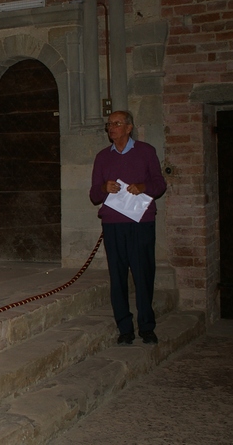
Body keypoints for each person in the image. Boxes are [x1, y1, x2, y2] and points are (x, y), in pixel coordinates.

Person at [89, 110, 167, 346]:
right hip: (113, 224)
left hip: (141, 223)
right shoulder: (102, 157)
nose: (111, 128)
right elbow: (93, 195)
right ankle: (124, 328)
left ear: (129, 127)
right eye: (109, 124)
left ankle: (146, 327)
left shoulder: (146, 151)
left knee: (143, 275)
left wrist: (142, 186)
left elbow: (159, 185)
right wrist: (104, 187)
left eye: (117, 124)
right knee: (118, 277)